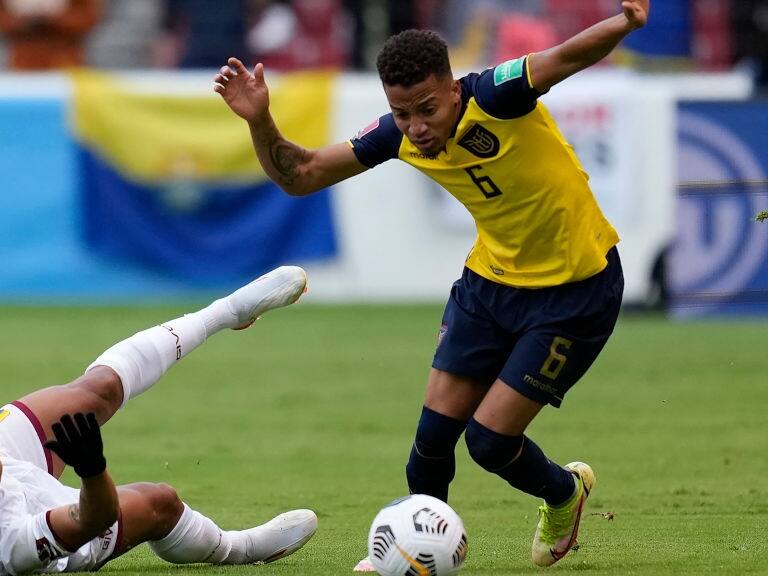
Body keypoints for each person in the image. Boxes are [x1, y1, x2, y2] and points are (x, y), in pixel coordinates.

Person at [215, 0, 647, 568]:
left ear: (452, 88)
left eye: (426, 110)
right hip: (490, 285)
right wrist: (258, 120)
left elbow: (566, 56)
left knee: (489, 443)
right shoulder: (400, 137)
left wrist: (626, 21)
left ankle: (564, 493)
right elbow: (301, 175)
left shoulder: (497, 94)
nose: (416, 128)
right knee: (428, 449)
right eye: (401, 114)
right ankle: (413, 558)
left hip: (576, 291)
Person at [0, 266, 316, 574]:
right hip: (46, 517)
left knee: (98, 389)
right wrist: (92, 469)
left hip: (9, 468)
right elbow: (93, 519)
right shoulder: (14, 543)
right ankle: (237, 547)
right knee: (160, 502)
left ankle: (227, 312)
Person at [0, 0, 101, 70]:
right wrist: (23, 17)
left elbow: (89, 17)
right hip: (22, 64)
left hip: (65, 61)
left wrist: (55, 16)